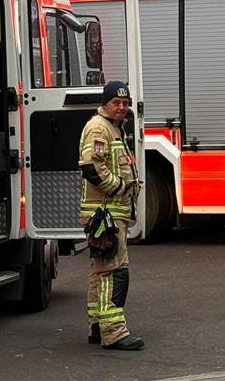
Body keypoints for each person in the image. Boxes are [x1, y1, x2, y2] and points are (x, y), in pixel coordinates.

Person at [78, 81, 145, 351]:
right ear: (105, 103)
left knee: (100, 270)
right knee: (114, 271)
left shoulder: (114, 128)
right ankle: (114, 332)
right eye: (116, 102)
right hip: (106, 214)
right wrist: (119, 188)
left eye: (125, 103)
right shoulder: (99, 127)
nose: (122, 107)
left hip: (111, 214)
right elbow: (91, 168)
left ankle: (97, 326)